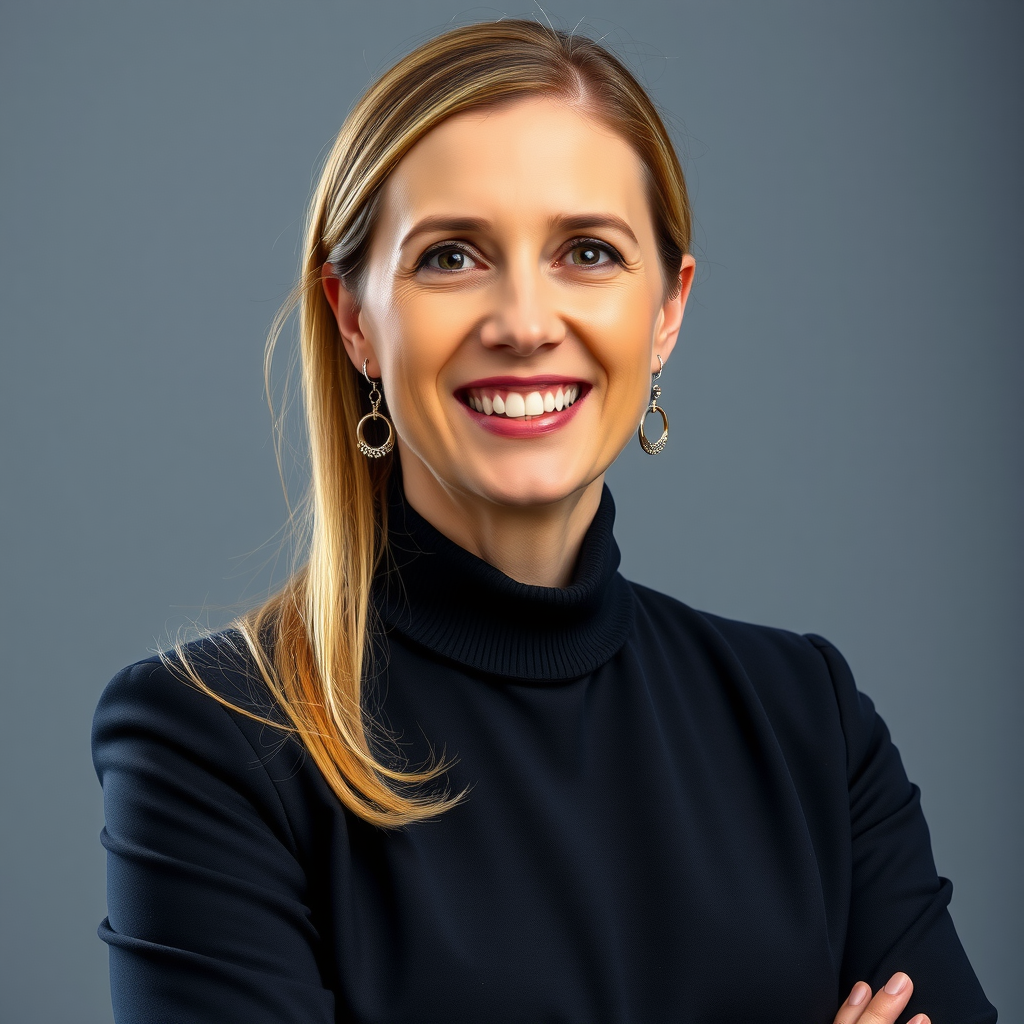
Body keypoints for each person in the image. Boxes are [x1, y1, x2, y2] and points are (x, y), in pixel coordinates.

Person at [91, 19, 996, 1024]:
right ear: (354, 319)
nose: (524, 321)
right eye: (450, 256)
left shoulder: (808, 724)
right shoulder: (214, 737)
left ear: (666, 309)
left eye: (587, 251)